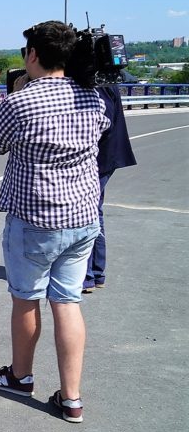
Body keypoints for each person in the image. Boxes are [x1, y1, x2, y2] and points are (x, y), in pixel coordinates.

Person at [0, 20, 110, 424]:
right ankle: (71, 399)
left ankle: (20, 377)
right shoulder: (92, 98)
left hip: (35, 218)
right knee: (67, 302)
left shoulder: (22, 102)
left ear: (32, 54)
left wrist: (16, 94)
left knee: (26, 299)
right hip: (82, 217)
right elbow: (102, 130)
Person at [83, 84, 136, 293]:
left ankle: (88, 275)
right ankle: (95, 273)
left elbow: (101, 118)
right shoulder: (103, 78)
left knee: (87, 212)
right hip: (105, 156)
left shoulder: (95, 82)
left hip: (100, 158)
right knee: (94, 212)